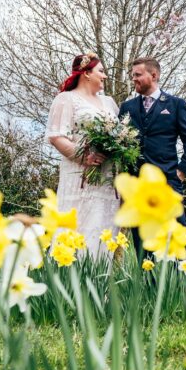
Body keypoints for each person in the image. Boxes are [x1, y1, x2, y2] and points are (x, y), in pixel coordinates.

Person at [118, 57, 186, 253]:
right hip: (137, 185)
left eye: (137, 75)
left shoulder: (176, 104)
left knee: (177, 231)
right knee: (141, 238)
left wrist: (182, 171)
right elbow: (119, 143)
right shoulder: (126, 108)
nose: (133, 79)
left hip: (168, 180)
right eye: (132, 75)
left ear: (153, 75)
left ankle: (185, 282)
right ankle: (147, 281)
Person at [45, 53, 120, 252]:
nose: (105, 76)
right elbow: (56, 136)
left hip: (107, 177)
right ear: (86, 73)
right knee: (80, 224)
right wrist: (84, 157)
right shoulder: (66, 99)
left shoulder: (109, 103)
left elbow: (118, 135)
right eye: (101, 71)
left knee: (103, 227)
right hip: (80, 176)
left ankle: (100, 279)